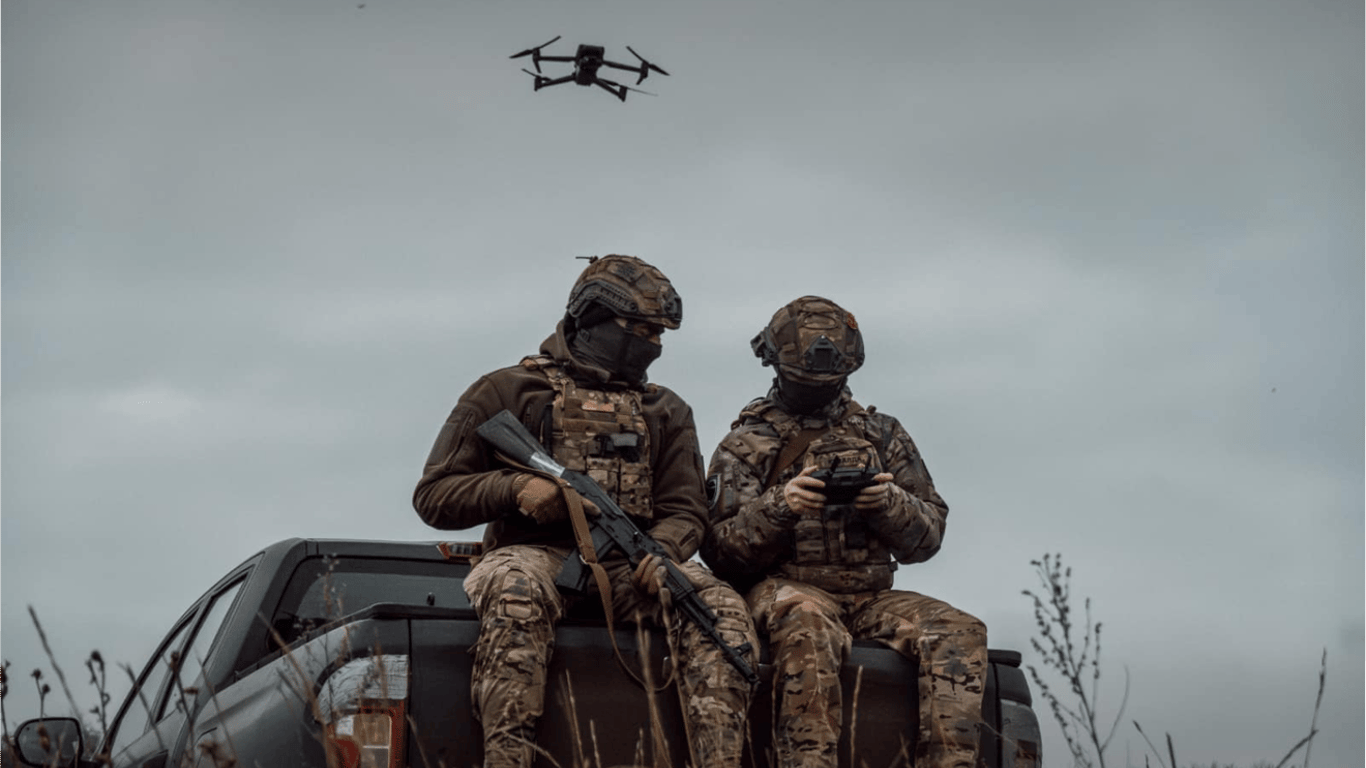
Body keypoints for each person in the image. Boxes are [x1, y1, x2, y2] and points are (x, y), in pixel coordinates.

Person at [413, 255, 758, 768]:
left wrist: (662, 553)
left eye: (660, 334)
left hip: (631, 565)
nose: (652, 344)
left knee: (719, 611)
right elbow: (435, 495)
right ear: (592, 318)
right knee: (515, 591)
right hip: (534, 557)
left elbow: (686, 511)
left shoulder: (665, 410)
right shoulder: (507, 390)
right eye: (639, 329)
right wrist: (514, 488)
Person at [701, 295, 988, 768]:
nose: (818, 390)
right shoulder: (747, 444)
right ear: (777, 366)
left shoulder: (882, 434)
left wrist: (888, 504)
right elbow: (719, 552)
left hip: (872, 596)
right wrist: (782, 505)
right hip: (787, 589)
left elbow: (929, 536)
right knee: (806, 621)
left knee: (959, 630)